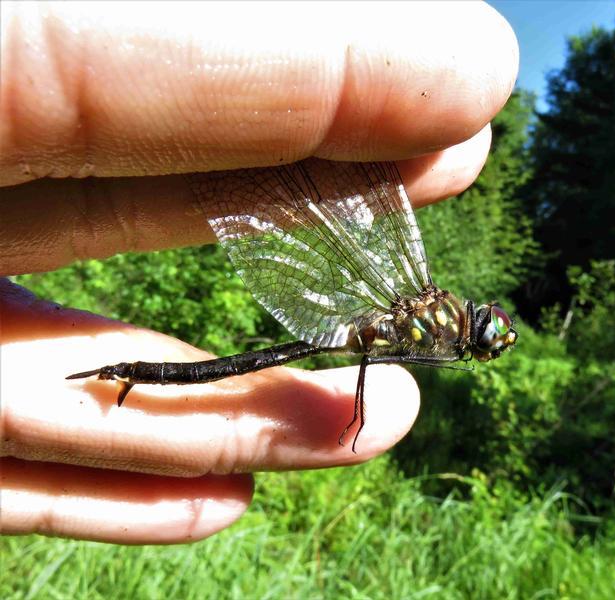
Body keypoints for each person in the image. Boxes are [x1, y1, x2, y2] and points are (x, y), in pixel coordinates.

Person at [0, 2, 518, 543]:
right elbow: (374, 355)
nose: (482, 337)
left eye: (485, 335)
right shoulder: (423, 310)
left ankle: (127, 373)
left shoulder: (431, 320)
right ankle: (131, 372)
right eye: (485, 332)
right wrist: (358, 418)